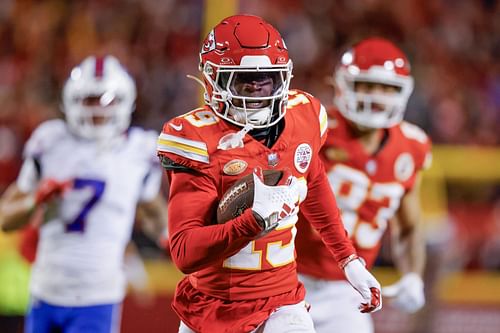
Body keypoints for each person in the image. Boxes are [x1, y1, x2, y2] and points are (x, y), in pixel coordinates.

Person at [156, 15, 382, 333]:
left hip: (282, 302)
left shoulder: (303, 117)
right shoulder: (197, 139)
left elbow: (313, 180)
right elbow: (184, 251)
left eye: (267, 80)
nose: (257, 92)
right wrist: (252, 222)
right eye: (244, 80)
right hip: (213, 304)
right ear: (213, 79)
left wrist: (348, 259)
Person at [0, 55, 168, 333]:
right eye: (89, 100)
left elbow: (153, 213)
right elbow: (6, 219)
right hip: (45, 289)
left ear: (124, 101)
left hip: (97, 296)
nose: (97, 110)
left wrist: (178, 243)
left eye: (105, 100)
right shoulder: (50, 140)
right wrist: (35, 199)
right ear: (71, 101)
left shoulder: (139, 150)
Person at [295, 37, 432, 333]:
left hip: (348, 289)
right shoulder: (313, 128)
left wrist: (413, 276)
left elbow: (408, 227)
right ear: (342, 84)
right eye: (368, 85)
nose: (377, 96)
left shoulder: (411, 147)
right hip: (286, 277)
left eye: (387, 88)